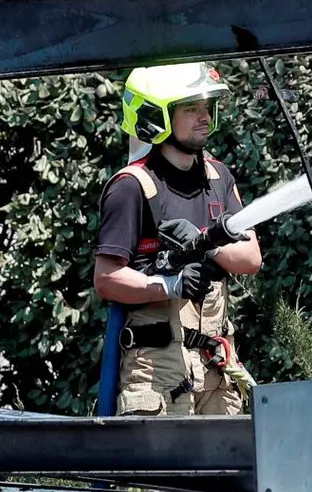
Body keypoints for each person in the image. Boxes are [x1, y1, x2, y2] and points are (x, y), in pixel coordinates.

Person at [94, 62, 263, 416]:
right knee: (166, 471)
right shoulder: (131, 187)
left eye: (206, 107)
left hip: (216, 364)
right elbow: (107, 280)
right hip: (156, 369)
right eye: (191, 108)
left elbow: (251, 259)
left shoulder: (218, 176)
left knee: (227, 470)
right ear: (156, 116)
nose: (205, 117)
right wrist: (168, 285)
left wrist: (208, 242)